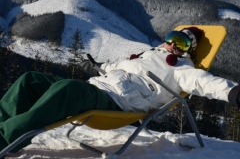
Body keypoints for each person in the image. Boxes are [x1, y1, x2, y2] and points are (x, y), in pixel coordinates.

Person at [0, 26, 240, 155]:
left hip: (117, 104)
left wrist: (234, 93)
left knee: (67, 88)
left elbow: (207, 83)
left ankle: (5, 139)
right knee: (30, 79)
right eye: (172, 38)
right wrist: (96, 67)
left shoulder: (182, 70)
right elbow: (116, 67)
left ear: (189, 51)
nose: (174, 45)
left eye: (183, 43)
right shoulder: (147, 55)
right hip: (97, 89)